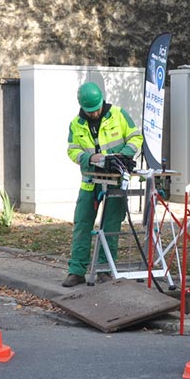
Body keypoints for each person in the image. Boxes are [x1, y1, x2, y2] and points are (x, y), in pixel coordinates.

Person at [62, 82, 143, 287]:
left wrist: (122, 157)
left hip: (116, 180)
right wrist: (89, 158)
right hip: (90, 181)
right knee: (82, 224)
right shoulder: (76, 124)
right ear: (82, 107)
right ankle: (77, 270)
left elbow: (136, 137)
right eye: (91, 111)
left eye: (97, 108)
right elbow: (72, 150)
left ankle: (105, 269)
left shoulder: (118, 114)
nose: (95, 113)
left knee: (111, 225)